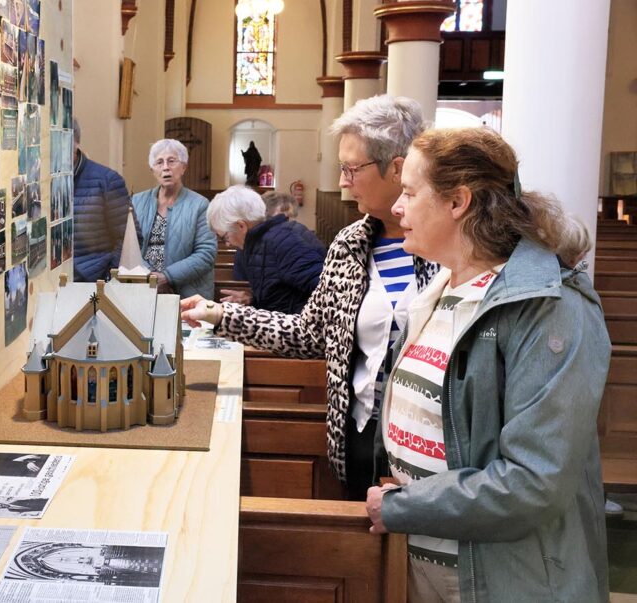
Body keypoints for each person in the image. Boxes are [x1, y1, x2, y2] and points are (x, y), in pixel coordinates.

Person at [365, 127, 609, 602]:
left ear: (458, 201)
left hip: (502, 577)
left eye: (410, 193)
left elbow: (534, 480)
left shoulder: (550, 307)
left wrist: (404, 506)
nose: (397, 208)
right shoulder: (443, 288)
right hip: (425, 561)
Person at [180, 95, 437, 499]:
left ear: (398, 169)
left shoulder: (448, 248)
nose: (341, 182)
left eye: (351, 168)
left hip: (430, 452)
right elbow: (307, 333)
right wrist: (219, 315)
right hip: (360, 437)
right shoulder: (351, 245)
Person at [207, 185, 325, 314]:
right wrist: (252, 300)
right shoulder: (257, 243)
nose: (227, 244)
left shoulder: (285, 241)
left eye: (225, 237)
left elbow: (326, 294)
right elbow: (280, 295)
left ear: (241, 226)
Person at [133, 139, 216, 297]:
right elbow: (129, 247)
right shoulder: (137, 202)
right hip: (143, 288)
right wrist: (150, 278)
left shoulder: (200, 205)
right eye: (159, 162)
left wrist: (167, 277)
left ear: (183, 167)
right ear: (152, 170)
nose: (165, 167)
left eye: (172, 161)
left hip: (187, 292)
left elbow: (206, 254)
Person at [71, 120, 130, 281]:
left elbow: (128, 237)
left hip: (94, 279)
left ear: (75, 143)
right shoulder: (42, 181)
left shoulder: (107, 180)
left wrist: (109, 276)